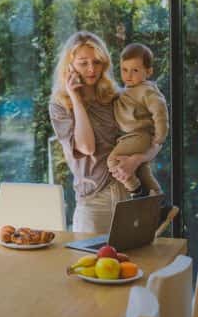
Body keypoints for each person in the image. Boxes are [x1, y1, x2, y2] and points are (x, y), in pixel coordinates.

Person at [48, 31, 162, 233]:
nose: (92, 69)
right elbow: (87, 147)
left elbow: (152, 140)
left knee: (137, 263)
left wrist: (137, 159)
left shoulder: (116, 96)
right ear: (70, 65)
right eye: (83, 63)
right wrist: (76, 99)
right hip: (94, 202)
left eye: (97, 62)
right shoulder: (60, 105)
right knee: (89, 264)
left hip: (131, 195)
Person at [107, 42, 168, 199]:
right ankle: (159, 202)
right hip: (133, 137)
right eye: (124, 70)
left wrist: (159, 137)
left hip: (139, 136)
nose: (128, 75)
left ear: (148, 72)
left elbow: (160, 112)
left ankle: (137, 191)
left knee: (113, 161)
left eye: (135, 70)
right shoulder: (130, 89)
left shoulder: (147, 90)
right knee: (143, 172)